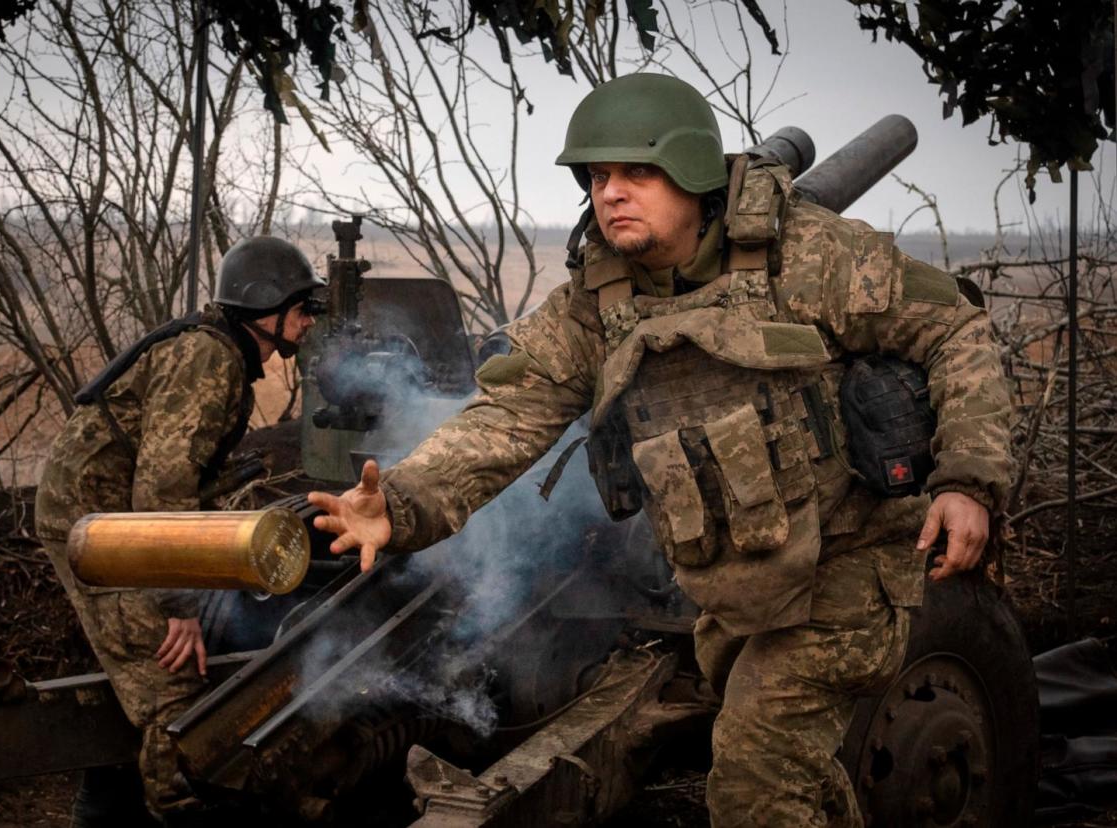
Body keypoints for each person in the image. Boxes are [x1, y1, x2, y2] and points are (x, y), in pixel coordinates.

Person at [308, 73, 1012, 827]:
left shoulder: (807, 256)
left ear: (693, 174)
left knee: (755, 773)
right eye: (599, 176)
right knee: (791, 774)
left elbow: (954, 330)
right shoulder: (596, 302)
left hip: (848, 566)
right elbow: (507, 415)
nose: (611, 193)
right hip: (737, 584)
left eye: (637, 173)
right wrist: (403, 504)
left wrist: (968, 479)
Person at [35, 236, 322, 824]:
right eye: (300, 307)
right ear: (262, 308)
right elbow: (161, 491)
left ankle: (106, 811)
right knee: (170, 689)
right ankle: (177, 807)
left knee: (145, 675)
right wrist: (181, 604)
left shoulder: (217, 352)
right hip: (100, 531)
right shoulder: (209, 357)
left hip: (118, 522)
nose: (307, 320)